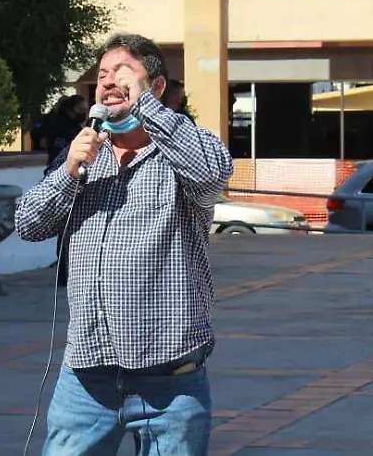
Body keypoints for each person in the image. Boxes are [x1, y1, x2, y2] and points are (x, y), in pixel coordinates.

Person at [15, 33, 233, 456]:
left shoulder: (185, 152)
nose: (108, 81)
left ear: (156, 86)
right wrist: (69, 172)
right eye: (101, 75)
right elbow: (27, 224)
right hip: (86, 379)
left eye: (122, 72)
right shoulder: (85, 153)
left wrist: (145, 108)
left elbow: (211, 175)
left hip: (169, 380)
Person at [42, 94, 89, 287]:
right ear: (70, 110)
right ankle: (64, 272)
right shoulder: (62, 128)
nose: (84, 113)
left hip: (77, 180)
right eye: (80, 109)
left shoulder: (73, 128)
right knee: (67, 229)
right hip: (65, 179)